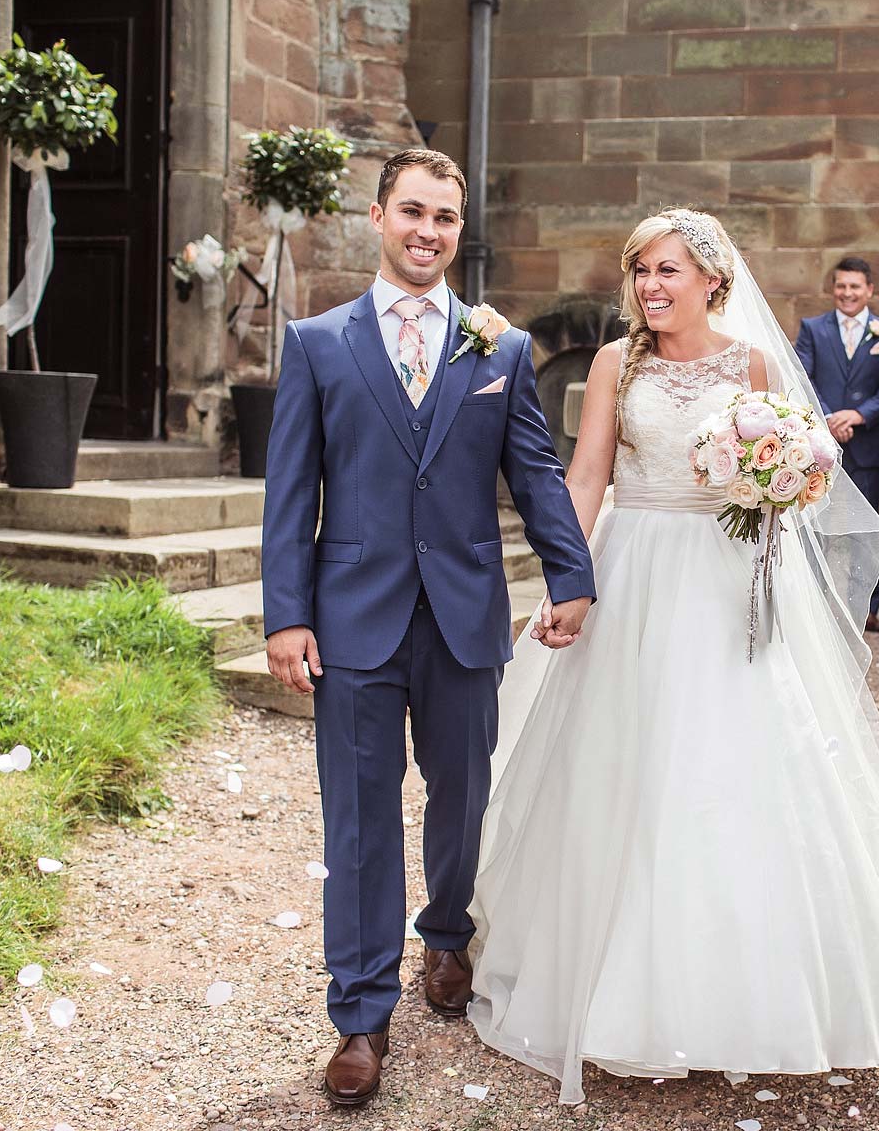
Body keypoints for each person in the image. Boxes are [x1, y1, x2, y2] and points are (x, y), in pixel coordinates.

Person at [466, 209, 879, 1104]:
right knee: (623, 760)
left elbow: (794, 485)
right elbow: (586, 477)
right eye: (641, 271)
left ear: (712, 281)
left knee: (731, 760)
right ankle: (613, 970)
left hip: (724, 578)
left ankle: (740, 981)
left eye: (670, 271)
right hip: (634, 565)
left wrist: (777, 482)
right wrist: (563, 579)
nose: (653, 287)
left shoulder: (756, 365)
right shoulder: (620, 364)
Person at [258, 149, 597, 1107]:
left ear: (458, 230)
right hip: (351, 620)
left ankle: (447, 933)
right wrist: (286, 614)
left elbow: (534, 471)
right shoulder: (319, 342)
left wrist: (570, 573)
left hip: (462, 617)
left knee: (462, 798)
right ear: (377, 217)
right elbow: (292, 493)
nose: (428, 232)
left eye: (445, 218)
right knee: (359, 819)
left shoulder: (502, 350)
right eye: (413, 212)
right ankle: (360, 1017)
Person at [795, 256, 879, 635]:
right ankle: (812, 603)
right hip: (818, 444)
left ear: (869, 290)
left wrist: (856, 416)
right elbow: (802, 376)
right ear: (834, 289)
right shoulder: (813, 329)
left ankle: (867, 608)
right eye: (841, 286)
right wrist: (829, 418)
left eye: (855, 286)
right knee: (814, 528)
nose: (847, 293)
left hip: (866, 446)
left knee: (865, 530)